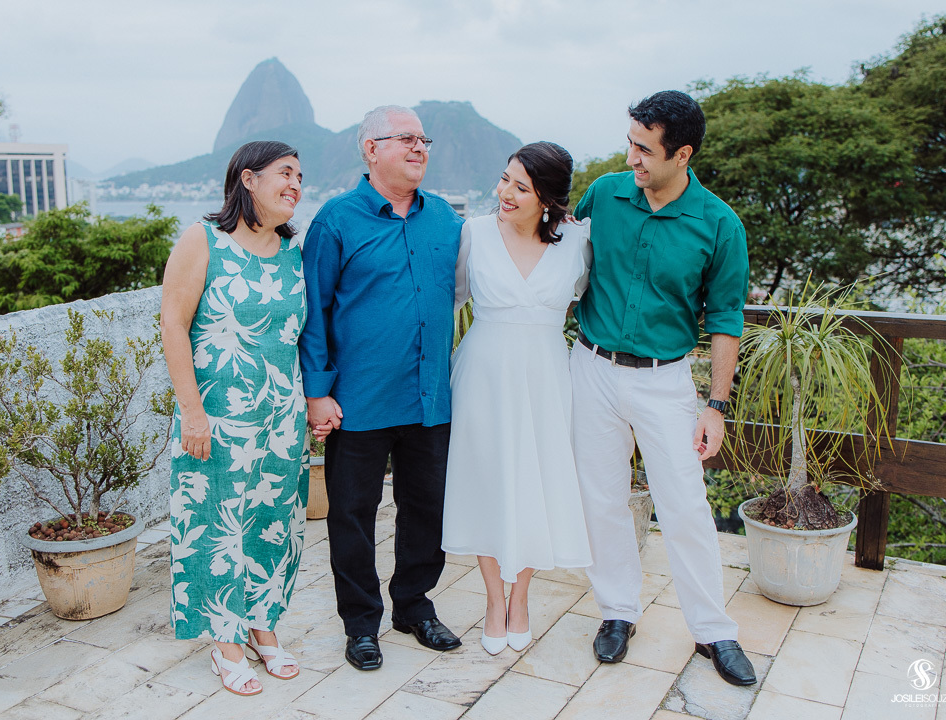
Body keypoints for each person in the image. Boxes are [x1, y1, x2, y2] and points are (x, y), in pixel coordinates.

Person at [570, 91, 757, 686]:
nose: (632, 158)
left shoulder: (720, 224)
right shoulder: (603, 194)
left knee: (685, 508)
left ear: (683, 154)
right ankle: (618, 612)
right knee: (600, 498)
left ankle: (712, 629)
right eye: (630, 143)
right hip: (591, 367)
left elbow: (726, 319)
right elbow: (561, 257)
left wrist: (717, 406)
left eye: (645, 149)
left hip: (665, 381)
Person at [300, 105, 465, 671]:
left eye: (424, 139)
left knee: (427, 509)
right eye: (405, 139)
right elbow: (313, 311)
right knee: (352, 514)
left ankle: (414, 607)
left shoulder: (445, 219)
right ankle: (361, 623)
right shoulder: (336, 221)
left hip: (429, 398)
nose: (419, 148)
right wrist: (317, 392)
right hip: (360, 401)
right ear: (371, 149)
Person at [161, 141, 308, 697]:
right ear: (247, 178)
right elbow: (173, 323)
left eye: (300, 176)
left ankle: (262, 628)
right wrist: (191, 412)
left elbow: (303, 337)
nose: (295, 184)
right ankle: (224, 643)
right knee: (218, 528)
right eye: (284, 173)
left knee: (273, 523)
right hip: (217, 418)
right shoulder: (204, 240)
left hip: (280, 417)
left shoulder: (295, 251)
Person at [442, 142, 593, 655]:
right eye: (504, 179)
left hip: (547, 377)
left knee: (537, 483)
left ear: (548, 198)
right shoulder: (474, 233)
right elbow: (453, 298)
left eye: (520, 187)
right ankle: (491, 598)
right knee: (484, 482)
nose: (504, 193)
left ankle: (520, 597)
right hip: (482, 373)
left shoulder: (578, 240)